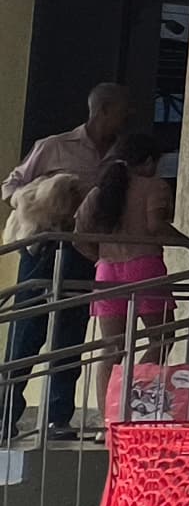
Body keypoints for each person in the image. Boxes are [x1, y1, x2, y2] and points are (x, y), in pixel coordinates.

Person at [2, 83, 130, 438]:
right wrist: (38, 201)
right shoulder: (54, 146)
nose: (127, 117)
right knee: (28, 331)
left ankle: (58, 417)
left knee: (71, 334)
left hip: (85, 250)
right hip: (44, 248)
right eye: (122, 111)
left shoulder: (120, 155)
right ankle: (4, 414)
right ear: (103, 110)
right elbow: (10, 187)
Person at [76, 130, 187, 381]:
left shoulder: (101, 190)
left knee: (112, 347)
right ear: (148, 161)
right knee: (162, 337)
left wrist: (99, 257)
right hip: (144, 266)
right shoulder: (154, 186)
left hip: (106, 271)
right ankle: (132, 393)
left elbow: (79, 233)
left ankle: (108, 414)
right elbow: (156, 225)